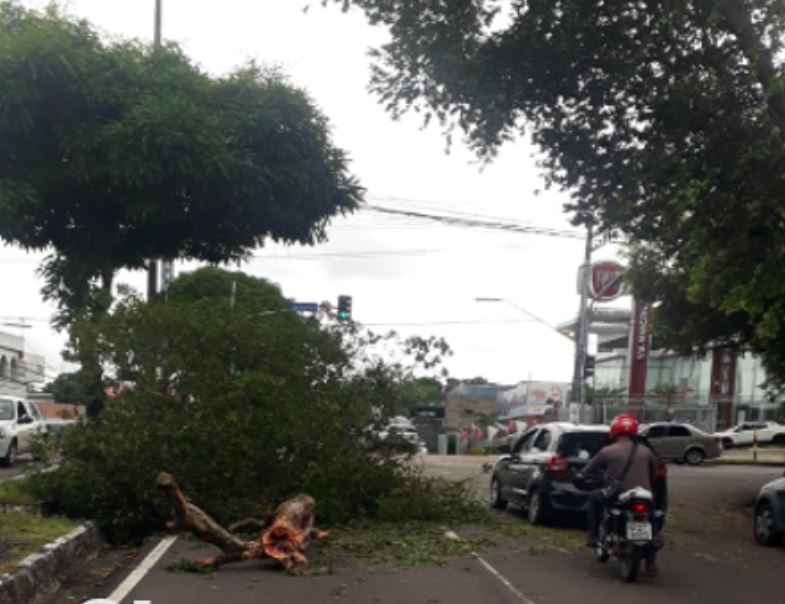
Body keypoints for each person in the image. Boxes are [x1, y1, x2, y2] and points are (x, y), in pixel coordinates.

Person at [583, 414, 657, 550]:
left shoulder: (607, 451)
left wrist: (587, 476)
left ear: (614, 432)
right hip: (644, 494)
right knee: (652, 514)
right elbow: (654, 473)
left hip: (617, 494)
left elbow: (587, 470)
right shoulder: (646, 451)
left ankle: (593, 536)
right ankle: (652, 557)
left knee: (593, 497)